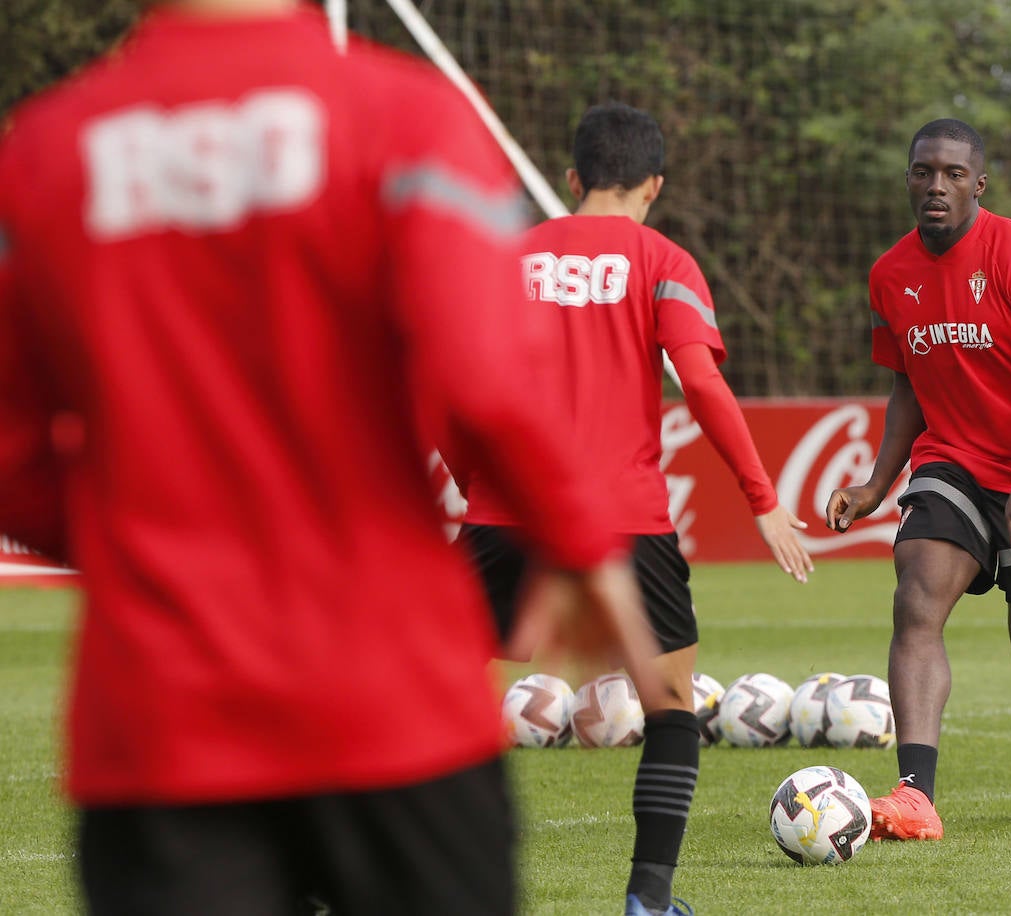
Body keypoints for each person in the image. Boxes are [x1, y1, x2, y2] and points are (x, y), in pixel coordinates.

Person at [0, 2, 669, 914]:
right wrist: (581, 542)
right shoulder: (408, 117)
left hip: (161, 721)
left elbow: (12, 457)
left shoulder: (46, 151)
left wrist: (144, 532)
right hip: (391, 703)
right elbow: (486, 377)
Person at [455, 102, 814, 916]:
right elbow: (704, 384)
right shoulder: (664, 261)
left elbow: (448, 379)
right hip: (626, 521)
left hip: (503, 513)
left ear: (575, 177)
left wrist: (469, 474)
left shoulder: (505, 259)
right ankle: (648, 899)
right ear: (655, 183)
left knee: (431, 700)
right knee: (671, 708)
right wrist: (762, 499)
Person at [826, 118, 1011, 840]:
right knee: (915, 600)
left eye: (953, 174)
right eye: (924, 171)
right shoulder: (890, 275)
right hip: (950, 464)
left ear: (978, 185)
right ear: (909, 178)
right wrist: (876, 481)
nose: (936, 186)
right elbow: (907, 387)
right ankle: (915, 795)